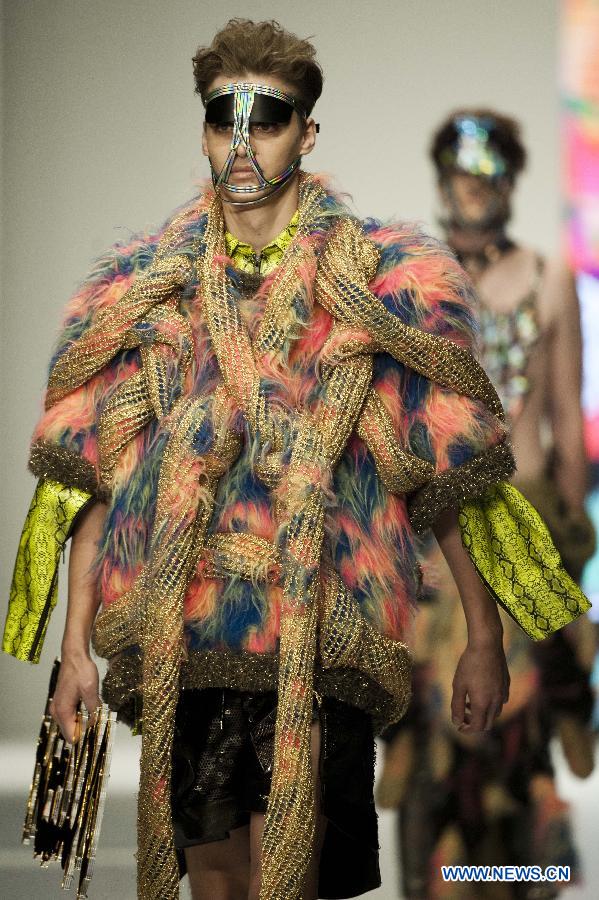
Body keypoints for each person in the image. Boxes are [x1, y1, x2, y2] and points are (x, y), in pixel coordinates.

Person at [2, 26, 589, 900]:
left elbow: (441, 472)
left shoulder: (381, 285)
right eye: (220, 118)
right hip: (188, 639)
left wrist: (483, 633)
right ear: (201, 130)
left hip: (326, 630)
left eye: (267, 116)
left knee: (297, 881)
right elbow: (95, 478)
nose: (240, 142)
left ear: (306, 132)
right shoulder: (147, 288)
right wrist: (73, 653)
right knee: (219, 888)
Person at [377, 110, 597, 899]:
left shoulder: (545, 279)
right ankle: (441, 883)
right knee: (434, 740)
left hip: (528, 531)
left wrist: (570, 548)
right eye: (460, 175)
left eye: (486, 175)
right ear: (442, 180)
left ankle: (510, 879)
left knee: (520, 741)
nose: (472, 189)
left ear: (508, 180)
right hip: (436, 545)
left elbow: (567, 416)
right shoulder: (408, 284)